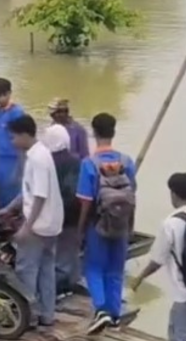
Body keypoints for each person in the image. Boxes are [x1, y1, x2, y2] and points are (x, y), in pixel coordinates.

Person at [75, 112, 137, 333]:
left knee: (93, 267)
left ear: (94, 132)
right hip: (121, 225)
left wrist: (81, 231)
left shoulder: (89, 164)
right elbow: (132, 197)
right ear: (113, 132)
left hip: (97, 224)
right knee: (116, 270)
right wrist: (130, 226)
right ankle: (115, 315)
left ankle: (101, 310)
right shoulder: (127, 161)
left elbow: (86, 202)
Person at [131, 173, 186, 341]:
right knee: (176, 324)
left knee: (184, 333)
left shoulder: (170, 223)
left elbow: (157, 260)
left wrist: (139, 278)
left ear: (173, 194)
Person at [1, 114, 63, 328]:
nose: (12, 142)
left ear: (25, 135)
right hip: (52, 224)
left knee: (26, 270)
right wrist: (9, 209)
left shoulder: (37, 159)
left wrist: (27, 227)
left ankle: (30, 317)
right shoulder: (42, 153)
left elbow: (40, 195)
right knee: (46, 270)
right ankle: (47, 314)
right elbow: (29, 191)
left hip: (39, 225)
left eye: (13, 137)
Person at [41, 124, 83, 297]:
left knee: (53, 257)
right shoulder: (78, 161)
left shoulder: (47, 162)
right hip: (75, 216)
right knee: (70, 254)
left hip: (54, 216)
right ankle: (72, 285)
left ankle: (56, 291)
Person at [0, 78, 25, 209]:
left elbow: (23, 145)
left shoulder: (17, 113)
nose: (0, 99)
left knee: (15, 203)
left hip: (14, 162)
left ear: (9, 93)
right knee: (1, 200)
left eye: (3, 95)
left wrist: (20, 172)